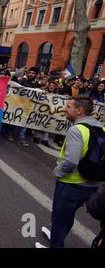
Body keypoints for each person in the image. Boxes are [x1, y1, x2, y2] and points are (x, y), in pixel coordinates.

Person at [47, 95, 102, 248]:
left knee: (60, 219)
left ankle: (56, 244)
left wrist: (57, 172)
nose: (65, 109)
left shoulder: (77, 130)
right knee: (68, 217)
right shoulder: (102, 128)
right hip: (93, 185)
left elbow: (71, 161)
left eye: (68, 106)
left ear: (79, 110)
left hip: (71, 185)